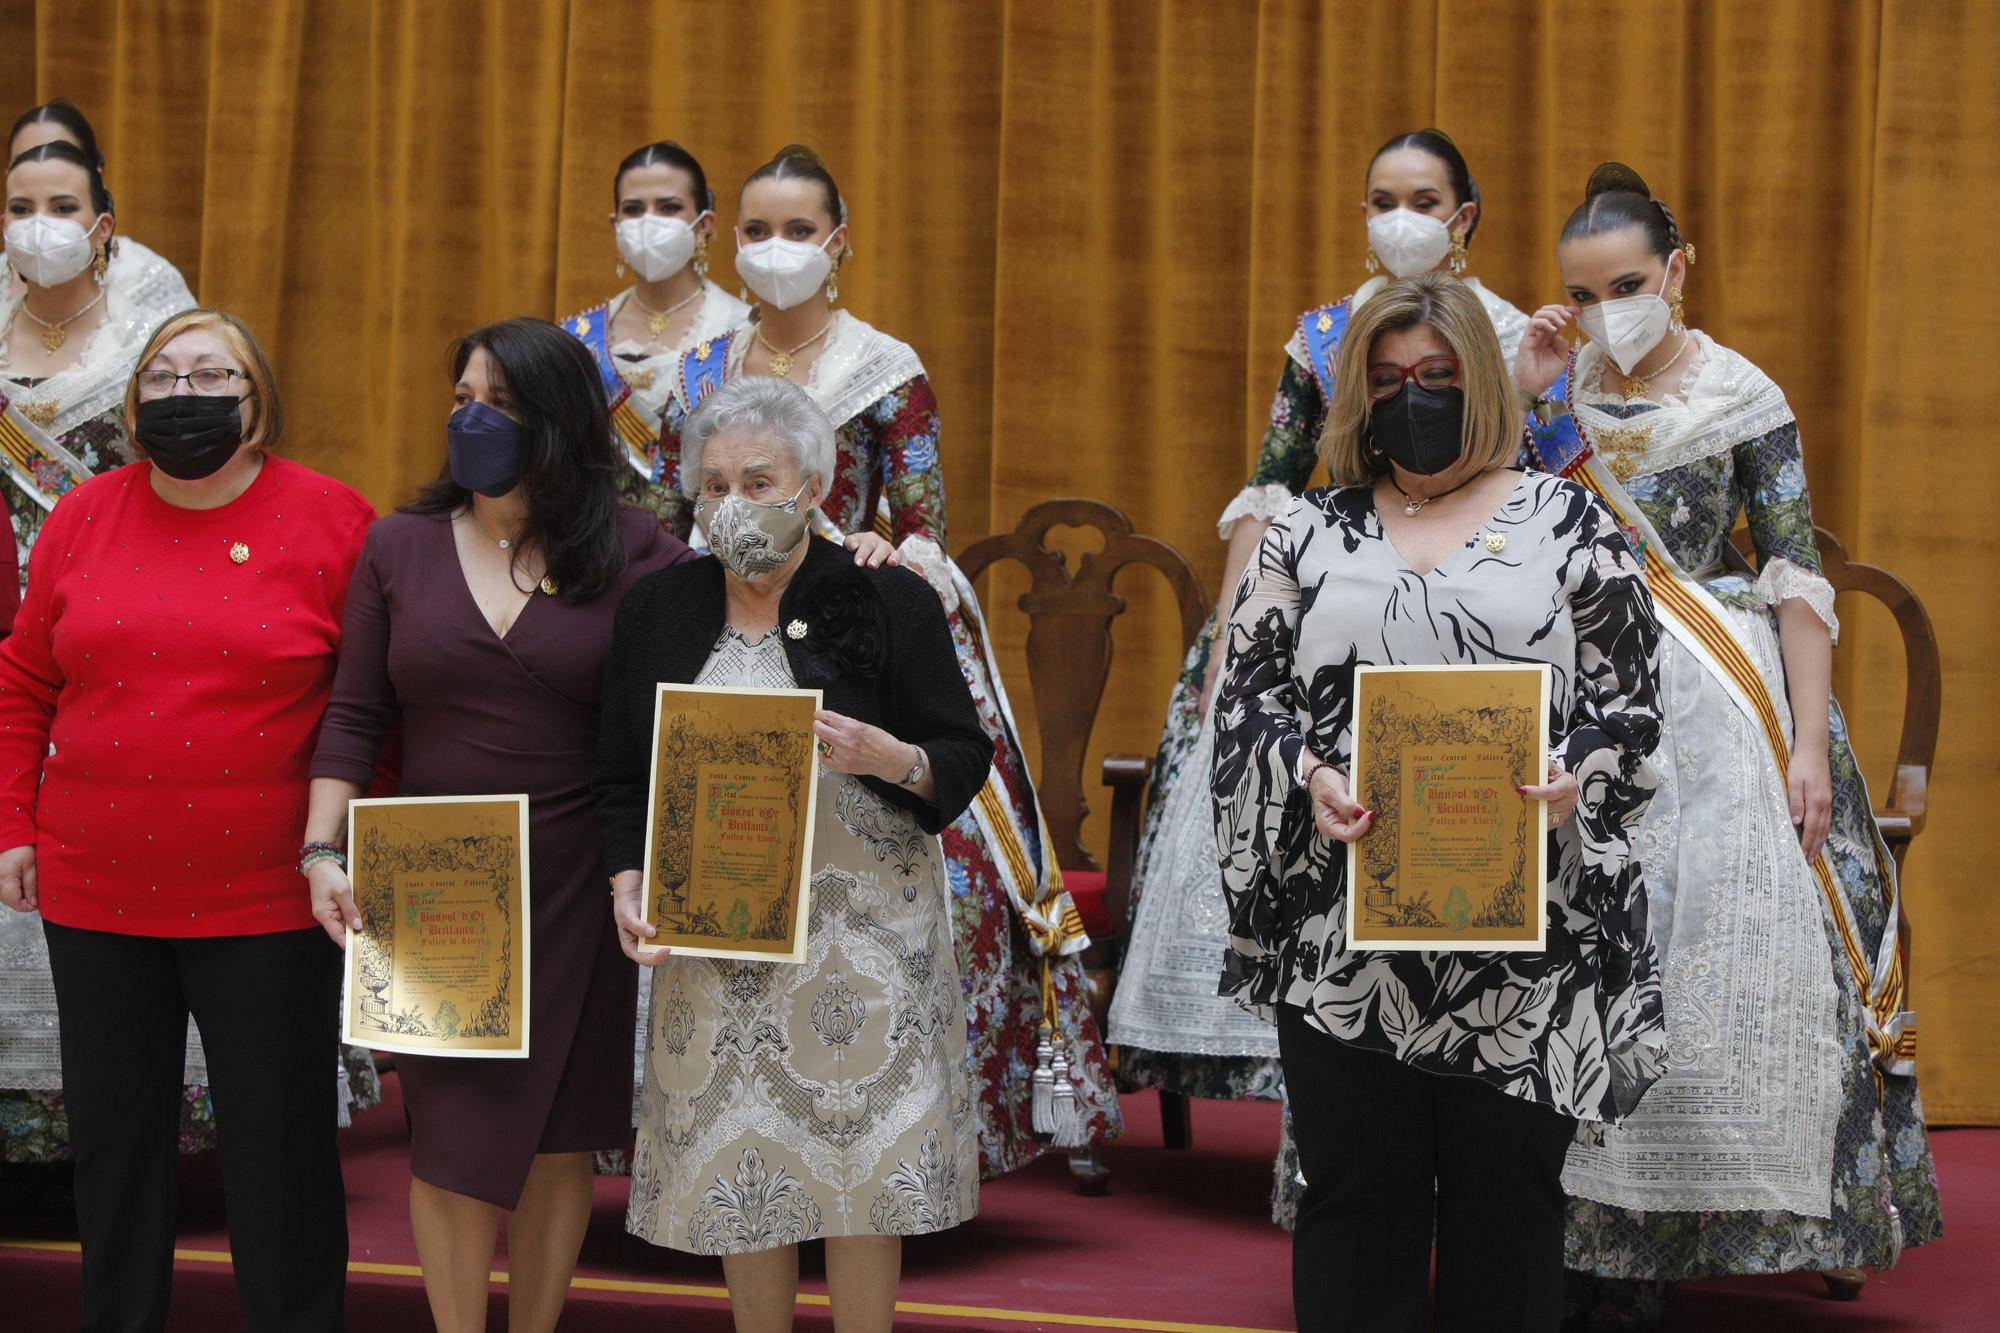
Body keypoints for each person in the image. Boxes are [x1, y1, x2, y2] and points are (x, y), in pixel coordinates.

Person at [1510, 164, 1942, 1329]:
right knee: (1565, 951)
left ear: (1677, 269)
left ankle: (1698, 1223)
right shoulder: (1550, 392)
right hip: (1570, 684)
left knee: (1701, 942)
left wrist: (1808, 747)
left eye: (1628, 284)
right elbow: (1504, 524)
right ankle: (1574, 1235)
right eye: (1581, 291)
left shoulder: (1745, 395)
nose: (1609, 309)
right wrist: (1531, 395)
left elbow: (1796, 581)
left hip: (1718, 691)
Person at [1211, 272, 1668, 1331]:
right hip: (1342, 933)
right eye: (1384, 379)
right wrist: (1312, 778)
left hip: (1527, 932)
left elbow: (1631, 710)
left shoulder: (1570, 522)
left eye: (1434, 375)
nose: (1409, 396)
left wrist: (1574, 775)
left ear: (1483, 383)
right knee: (1353, 1199)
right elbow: (1247, 702)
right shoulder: (1301, 531)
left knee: (1506, 1210)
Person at [651, 145, 1117, 1177]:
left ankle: (904, 1128)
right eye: (756, 232)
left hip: (863, 627)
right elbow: (664, 507)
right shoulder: (701, 363)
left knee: (948, 873)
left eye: (798, 231)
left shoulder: (884, 365)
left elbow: (922, 522)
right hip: (721, 629)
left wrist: (877, 544)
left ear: (839, 242)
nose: (776, 251)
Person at [1109, 129, 1532, 1165]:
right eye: (1380, 196)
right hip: (1333, 601)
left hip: (1481, 618)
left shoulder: (1518, 334)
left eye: (1422, 197)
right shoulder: (1321, 334)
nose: (1400, 216)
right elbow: (1269, 486)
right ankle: (1337, 1125)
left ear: (1463, 215)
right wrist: (1228, 654)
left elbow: (1557, 485)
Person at [300, 317, 694, 1333]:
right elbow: (353, 714)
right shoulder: (398, 545)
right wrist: (319, 849)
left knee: (561, 1137)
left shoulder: (640, 553)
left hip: (577, 869)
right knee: (450, 1134)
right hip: (432, 874)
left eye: (501, 404)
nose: (470, 417)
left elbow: (683, 704)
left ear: (559, 421)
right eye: (463, 395)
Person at [0, 308, 374, 1331]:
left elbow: (373, 703)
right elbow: (23, 681)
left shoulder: (338, 521)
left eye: (212, 374)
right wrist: (13, 826)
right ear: (132, 402)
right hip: (97, 894)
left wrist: (344, 846)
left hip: (272, 901)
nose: (184, 394)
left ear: (258, 402)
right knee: (117, 1156)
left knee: (280, 1156)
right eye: (161, 376)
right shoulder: (82, 516)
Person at [596, 375, 988, 1332]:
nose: (736, 502)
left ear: (812, 484)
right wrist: (626, 879)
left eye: (759, 479)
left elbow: (962, 753)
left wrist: (890, 756)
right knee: (743, 1164)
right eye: (715, 483)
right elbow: (617, 775)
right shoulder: (659, 609)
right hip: (720, 939)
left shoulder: (884, 595)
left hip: (865, 941)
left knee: (861, 1177)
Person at [562, 140, 749, 509]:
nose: (649, 221)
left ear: (704, 223)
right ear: (616, 225)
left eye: (669, 208)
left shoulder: (741, 330)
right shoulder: (577, 336)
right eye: (634, 209)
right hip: (592, 541)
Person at [8, 99, 196, 328]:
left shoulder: (147, 279)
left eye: (64, 155)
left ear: (96, 176)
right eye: (26, 160)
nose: (44, 168)